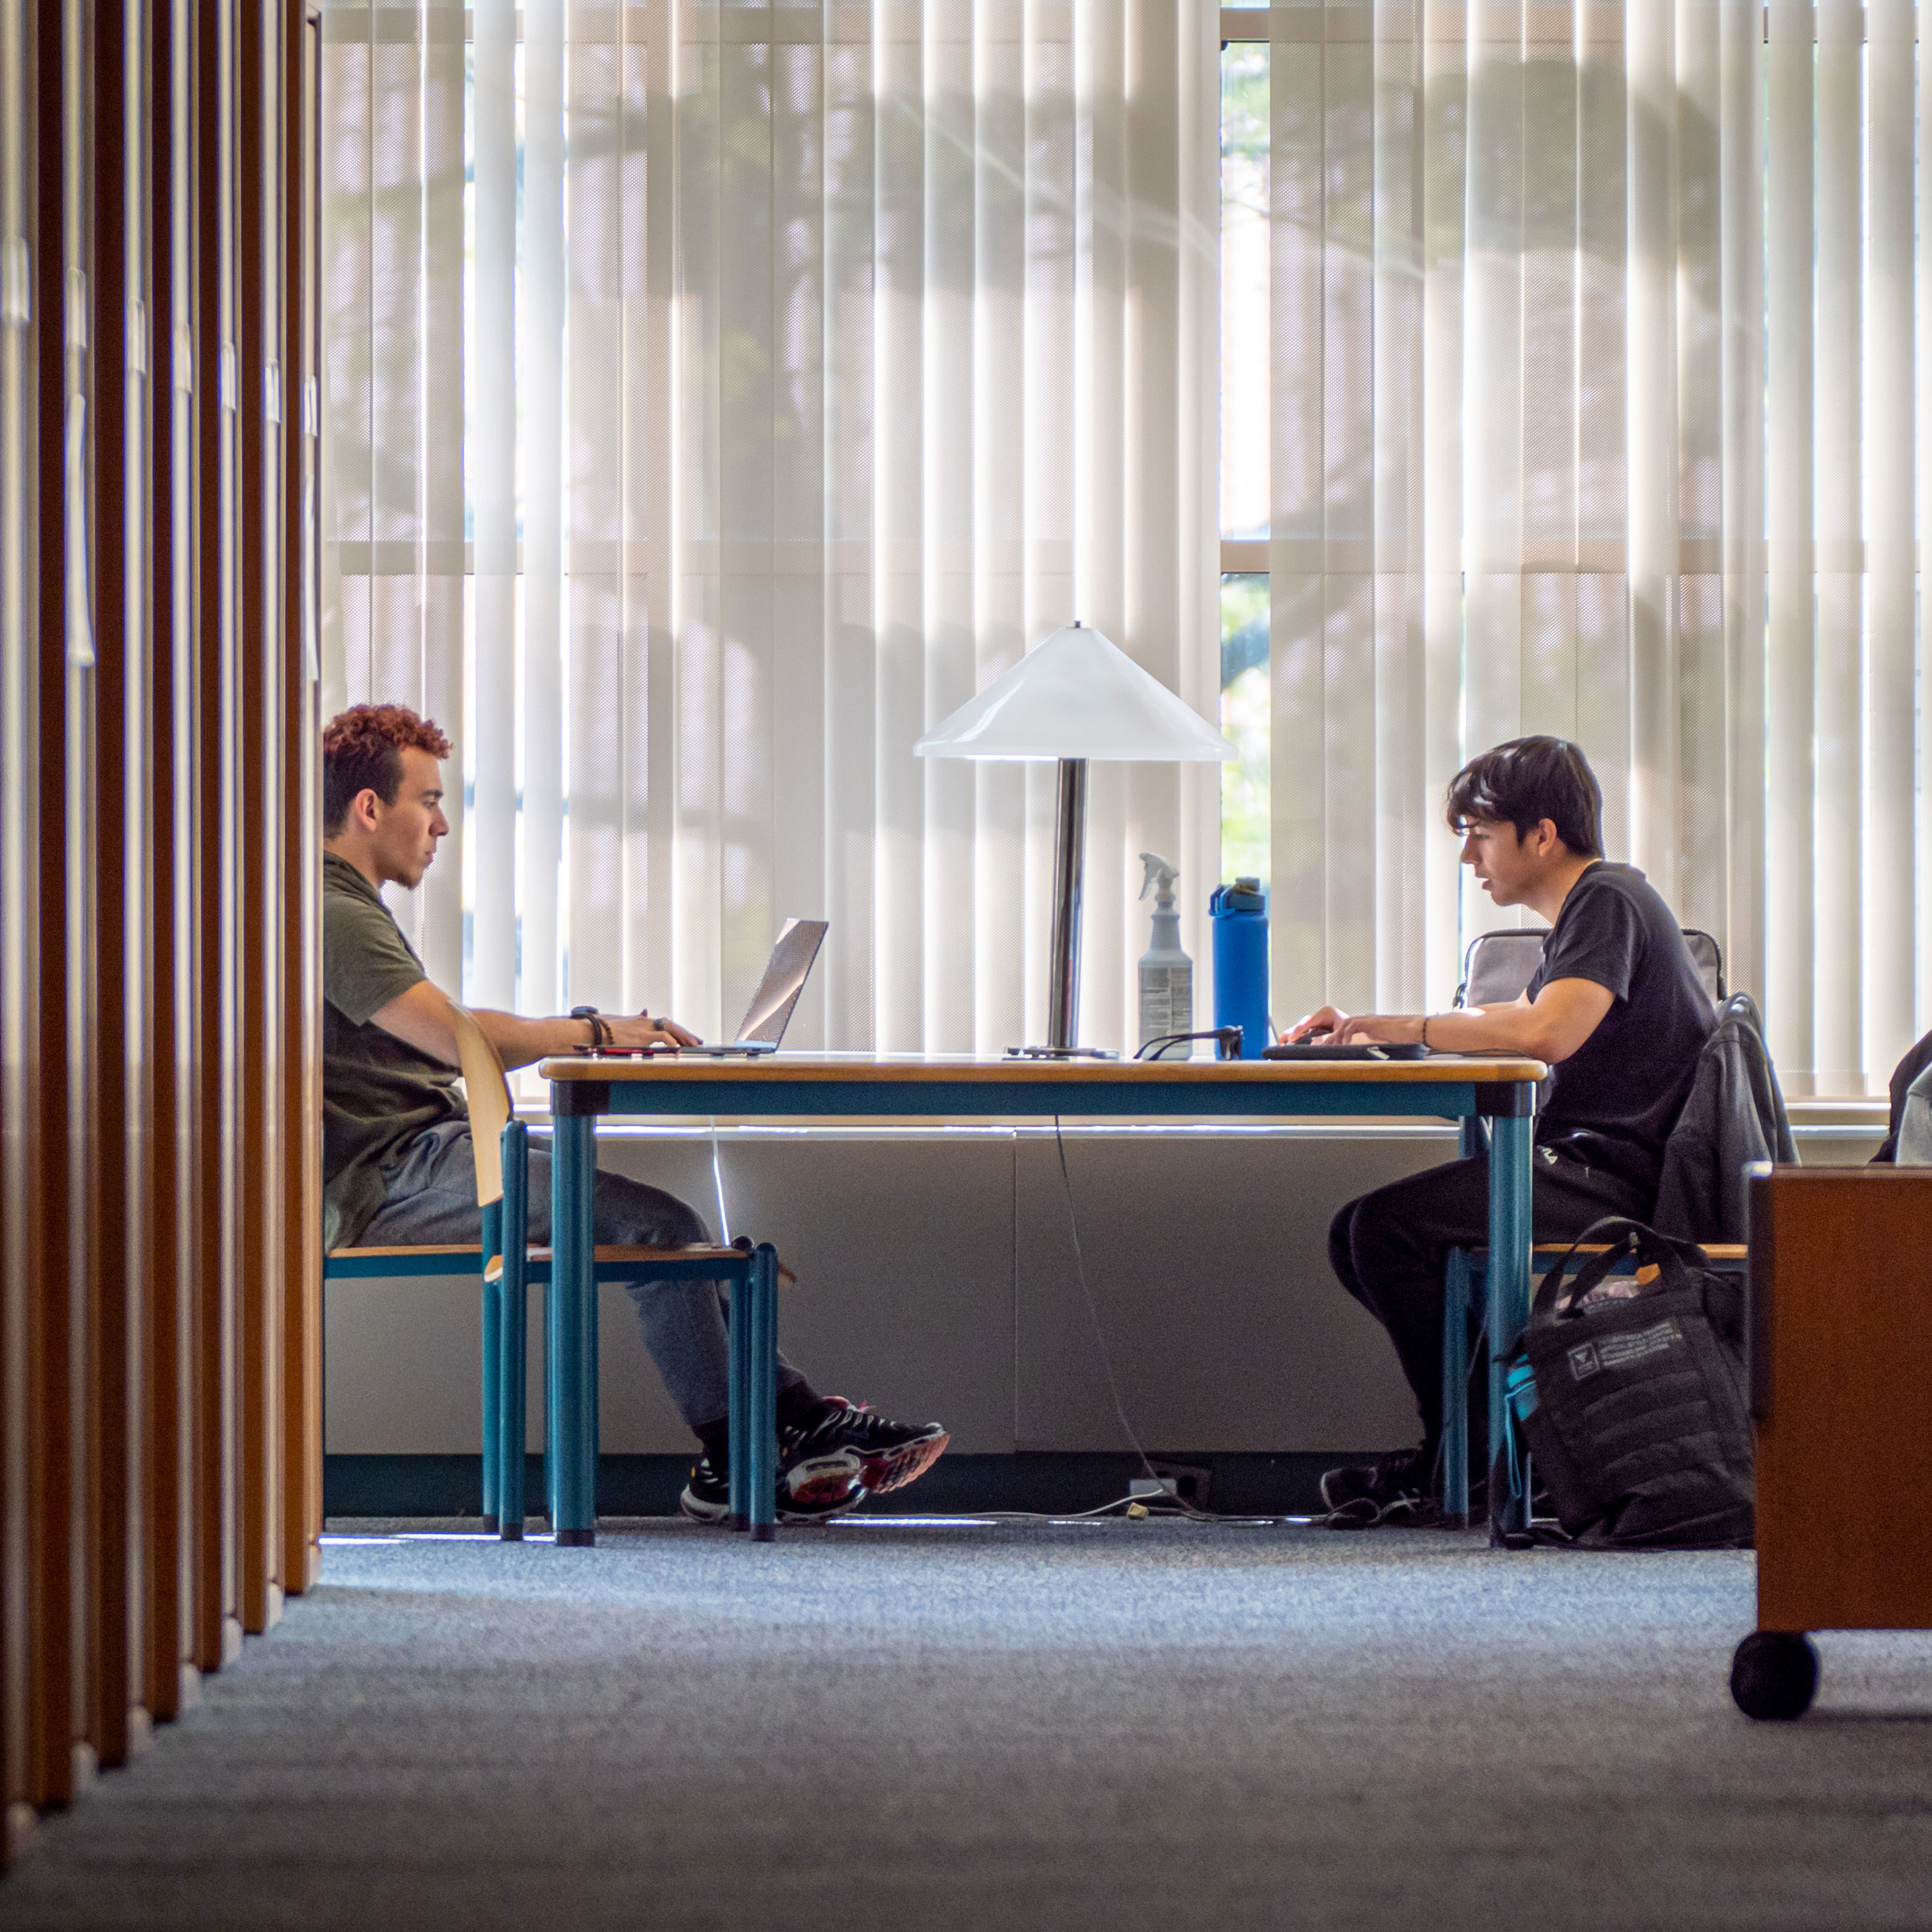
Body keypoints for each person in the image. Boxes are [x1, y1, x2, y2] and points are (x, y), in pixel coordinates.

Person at [321, 703, 948, 1524]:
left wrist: (594, 1031)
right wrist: (595, 1030)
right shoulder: (332, 910)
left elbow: (428, 1034)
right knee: (663, 1226)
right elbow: (454, 1037)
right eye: (429, 800)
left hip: (419, 1151)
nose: (441, 825)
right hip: (386, 1174)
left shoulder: (343, 906)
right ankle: (744, 1450)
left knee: (674, 1225)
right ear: (371, 808)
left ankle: (779, 1428)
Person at [1284, 736, 1714, 1525]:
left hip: (1617, 1187)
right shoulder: (1590, 913)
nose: (1468, 859)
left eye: (1479, 836)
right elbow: (1513, 1017)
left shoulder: (1609, 898)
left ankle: (1473, 1456)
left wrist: (1411, 1026)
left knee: (1382, 1231)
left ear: (1542, 834)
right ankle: (1483, 1449)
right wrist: (1378, 1027)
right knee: (1361, 1233)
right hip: (1588, 1171)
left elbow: (1547, 1032)